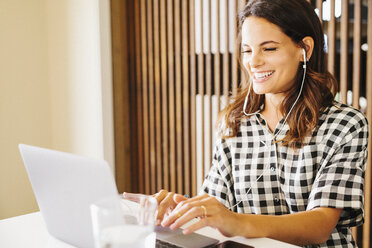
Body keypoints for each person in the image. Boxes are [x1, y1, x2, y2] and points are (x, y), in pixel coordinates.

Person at [125, 0, 368, 247]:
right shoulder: (233, 123)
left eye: (269, 49)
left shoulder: (345, 124)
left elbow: (320, 226)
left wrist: (235, 221)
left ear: (304, 48)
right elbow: (215, 208)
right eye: (247, 50)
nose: (253, 62)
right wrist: (179, 212)